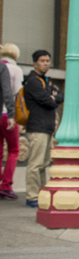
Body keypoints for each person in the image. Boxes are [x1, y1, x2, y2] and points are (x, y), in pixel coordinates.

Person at [23, 50, 63, 208]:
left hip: (46, 127)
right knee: (35, 163)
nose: (46, 63)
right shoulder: (33, 81)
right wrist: (52, 97)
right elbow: (49, 101)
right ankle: (32, 196)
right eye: (42, 61)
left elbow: (60, 96)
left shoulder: (47, 81)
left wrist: (54, 97)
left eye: (48, 60)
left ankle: (41, 194)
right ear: (35, 63)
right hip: (37, 126)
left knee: (44, 163)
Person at [0, 43, 23, 200]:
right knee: (14, 150)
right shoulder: (16, 70)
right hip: (7, 114)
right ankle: (6, 186)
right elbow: (15, 92)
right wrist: (12, 115)